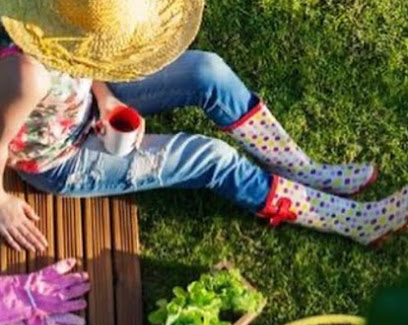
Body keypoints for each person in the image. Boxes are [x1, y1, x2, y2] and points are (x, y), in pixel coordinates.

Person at [0, 0, 406, 253]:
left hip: (86, 103)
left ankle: (300, 169)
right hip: (63, 157)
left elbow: (83, 62)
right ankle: (350, 220)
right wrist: (1, 204)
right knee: (212, 158)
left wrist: (107, 99)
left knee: (206, 69)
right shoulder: (27, 74)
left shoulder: (62, 23)